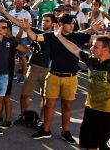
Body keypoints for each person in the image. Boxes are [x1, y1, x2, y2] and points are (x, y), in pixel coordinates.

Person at [25, 14, 99, 142]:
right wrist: (27, 29)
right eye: (69, 23)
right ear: (61, 24)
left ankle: (66, 131)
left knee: (67, 107)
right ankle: (46, 130)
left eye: (73, 24)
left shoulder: (78, 36)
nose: (72, 26)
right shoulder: (51, 36)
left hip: (71, 77)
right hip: (53, 75)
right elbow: (35, 37)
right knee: (49, 106)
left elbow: (97, 39)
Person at [55, 30, 110, 150]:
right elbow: (75, 49)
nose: (91, 49)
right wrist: (59, 36)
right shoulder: (92, 61)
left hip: (107, 116)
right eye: (91, 45)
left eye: (95, 47)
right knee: (89, 146)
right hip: (90, 112)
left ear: (105, 50)